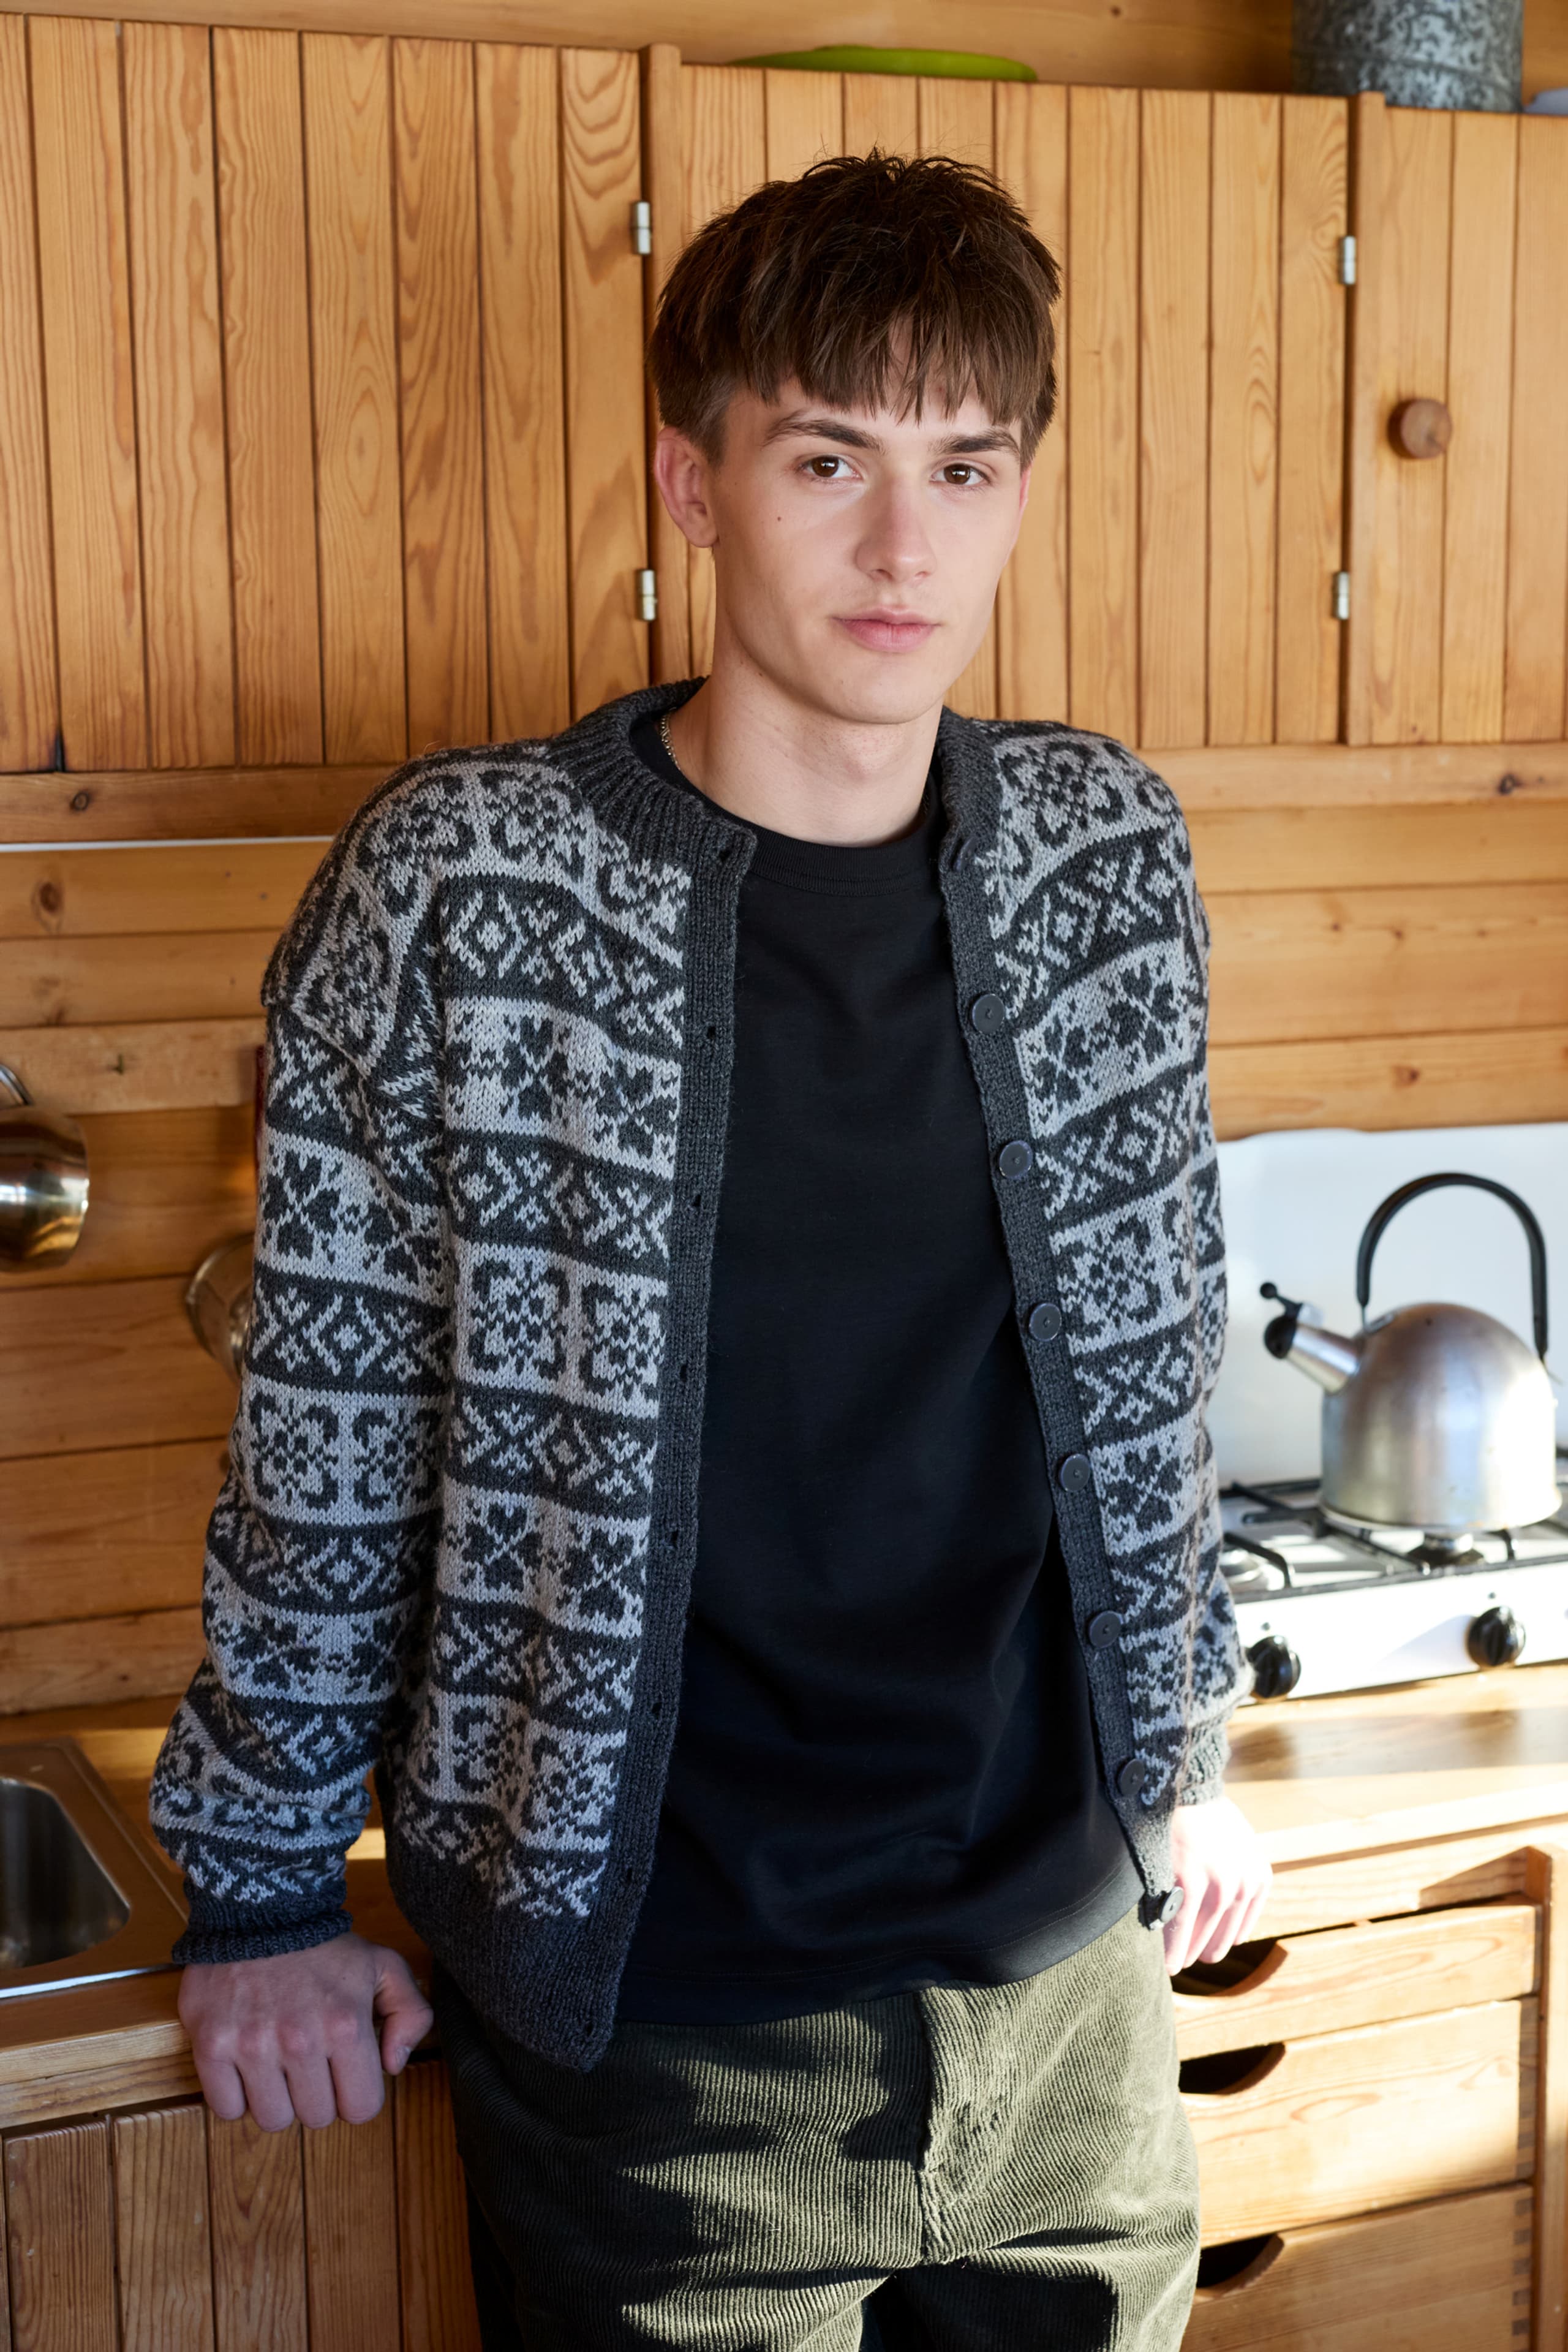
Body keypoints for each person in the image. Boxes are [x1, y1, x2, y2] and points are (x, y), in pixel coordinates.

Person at [149, 148, 1268, 2350]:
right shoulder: (462, 891)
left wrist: (1184, 1755)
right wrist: (261, 1892)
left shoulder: (1106, 856)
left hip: (1074, 2012)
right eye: (828, 458)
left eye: (966, 467)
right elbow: (331, 1430)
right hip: (662, 2045)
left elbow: (1155, 1362)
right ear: (695, 483)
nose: (904, 547)